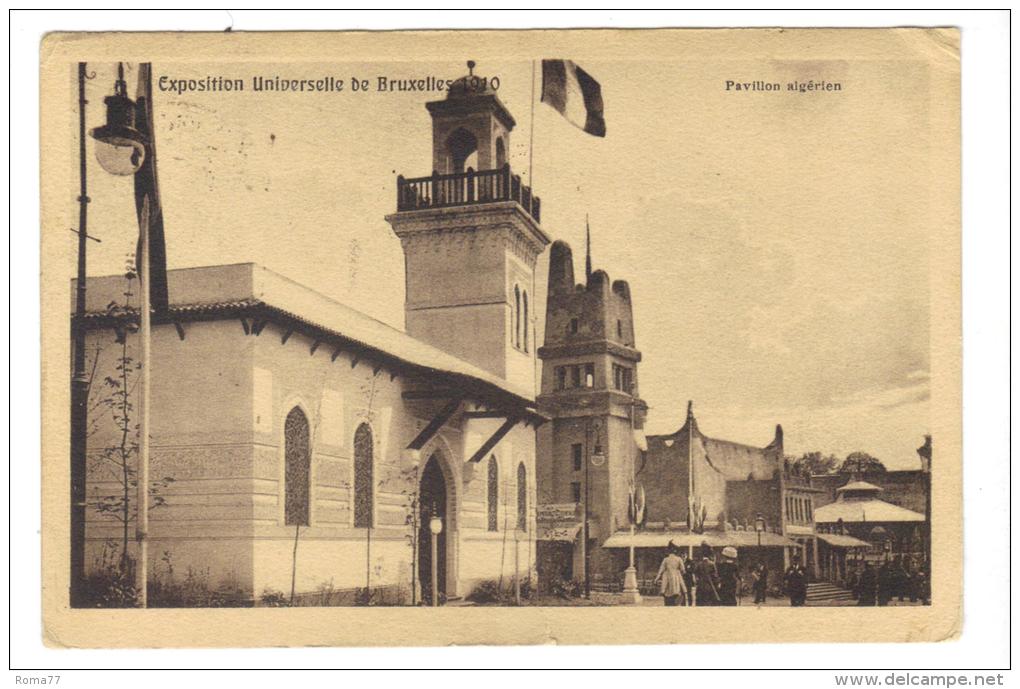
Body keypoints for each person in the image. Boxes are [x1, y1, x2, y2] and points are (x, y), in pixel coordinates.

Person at [653, 541, 688, 606]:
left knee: (667, 598)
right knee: (676, 598)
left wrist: (656, 579)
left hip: (667, 580)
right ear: (675, 551)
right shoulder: (679, 559)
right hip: (676, 580)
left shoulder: (665, 559)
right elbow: (683, 571)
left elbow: (660, 570)